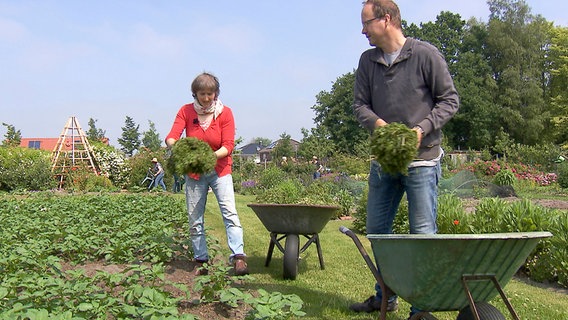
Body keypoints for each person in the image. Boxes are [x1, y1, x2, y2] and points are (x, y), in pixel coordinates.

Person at [350, 1, 459, 319]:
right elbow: (360, 105)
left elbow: (450, 99)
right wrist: (379, 125)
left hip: (423, 160)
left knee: (422, 235)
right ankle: (385, 297)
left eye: (366, 22)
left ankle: (421, 308)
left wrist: (421, 130)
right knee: (378, 233)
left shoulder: (424, 54)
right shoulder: (367, 61)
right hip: (385, 162)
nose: (363, 30)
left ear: (386, 19)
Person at [165, 72, 248, 276]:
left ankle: (238, 257)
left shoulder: (225, 113)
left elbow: (228, 145)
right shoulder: (186, 111)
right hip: (194, 173)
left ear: (216, 93)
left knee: (229, 212)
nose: (206, 98)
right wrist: (182, 150)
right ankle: (201, 259)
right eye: (202, 93)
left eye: (210, 93)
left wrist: (210, 157)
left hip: (220, 170)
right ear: (195, 93)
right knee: (195, 217)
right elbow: (171, 137)